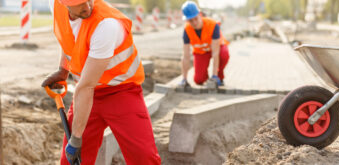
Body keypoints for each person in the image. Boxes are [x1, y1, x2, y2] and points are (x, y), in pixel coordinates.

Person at [42, 0, 161, 164]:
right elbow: (68, 38)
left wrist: (76, 139)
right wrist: (63, 70)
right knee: (71, 161)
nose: (88, 6)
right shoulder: (55, 6)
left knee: (144, 158)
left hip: (122, 93)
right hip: (87, 96)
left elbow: (86, 86)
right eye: (79, 3)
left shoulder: (106, 25)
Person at [180, 1, 230, 87]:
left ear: (200, 14)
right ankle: (206, 79)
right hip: (201, 52)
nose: (194, 22)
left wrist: (214, 75)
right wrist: (184, 79)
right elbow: (186, 56)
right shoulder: (187, 30)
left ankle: (219, 76)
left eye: (195, 18)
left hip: (217, 49)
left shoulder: (213, 25)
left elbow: (215, 53)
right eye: (191, 20)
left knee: (224, 54)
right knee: (198, 80)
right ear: (187, 20)